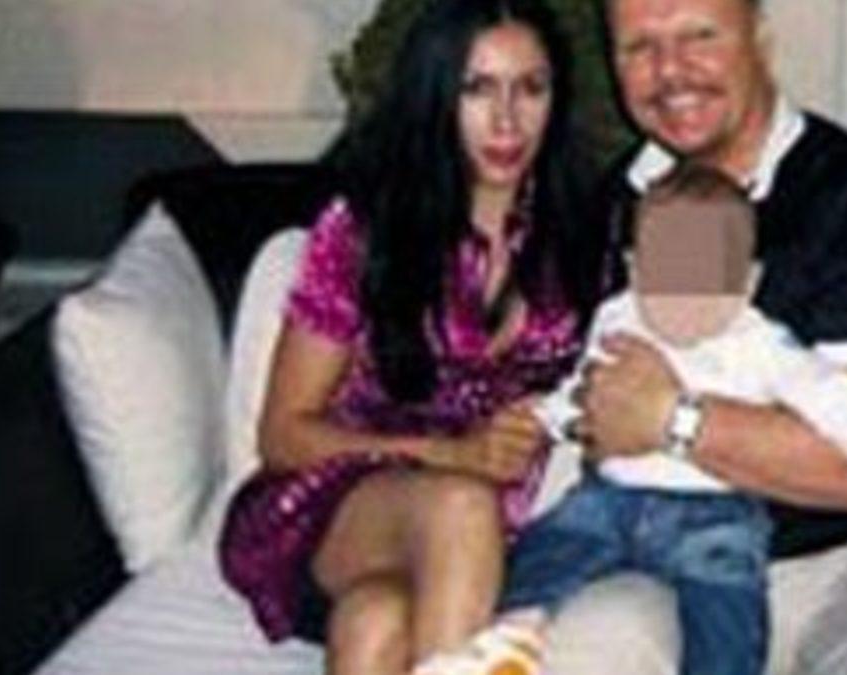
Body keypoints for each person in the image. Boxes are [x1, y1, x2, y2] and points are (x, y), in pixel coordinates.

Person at [563, 0, 847, 672]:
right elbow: (588, 406)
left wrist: (673, 419)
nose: (670, 71)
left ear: (759, 39)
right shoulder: (613, 205)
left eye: (699, 36)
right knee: (572, 648)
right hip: (659, 556)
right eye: (638, 47)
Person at [216, 1, 613, 673]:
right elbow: (283, 435)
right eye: (477, 88)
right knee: (460, 503)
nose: (508, 120)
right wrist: (451, 454)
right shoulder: (364, 230)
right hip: (333, 508)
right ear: (436, 96)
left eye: (530, 88)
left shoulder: (582, 235)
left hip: (484, 538)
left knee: (376, 623)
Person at [493, 162, 847, 675]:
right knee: (552, 543)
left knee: (726, 610)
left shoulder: (757, 342)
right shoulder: (620, 317)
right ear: (635, 269)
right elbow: (588, 386)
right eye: (666, 278)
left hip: (711, 512)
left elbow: (836, 401)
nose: (684, 300)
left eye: (707, 282)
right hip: (612, 497)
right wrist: (547, 418)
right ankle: (516, 631)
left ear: (748, 282)